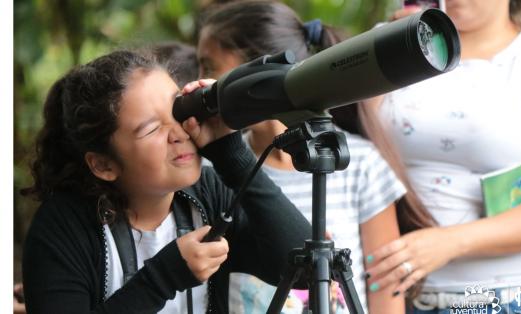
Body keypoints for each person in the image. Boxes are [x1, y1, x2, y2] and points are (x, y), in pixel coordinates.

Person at [21, 49, 312, 313]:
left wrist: (232, 155)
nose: (180, 133)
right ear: (103, 164)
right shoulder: (61, 228)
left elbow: (305, 269)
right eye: (151, 129)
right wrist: (163, 277)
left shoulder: (208, 193)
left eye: (179, 110)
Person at [196, 1, 436, 313]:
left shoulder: (360, 165)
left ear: (256, 68)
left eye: (209, 66)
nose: (200, 79)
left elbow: (385, 287)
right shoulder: (217, 169)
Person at [360, 0, 521, 313]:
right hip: (393, 297)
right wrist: (396, 44)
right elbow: (352, 140)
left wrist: (448, 242)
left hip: (507, 297)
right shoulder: (395, 38)